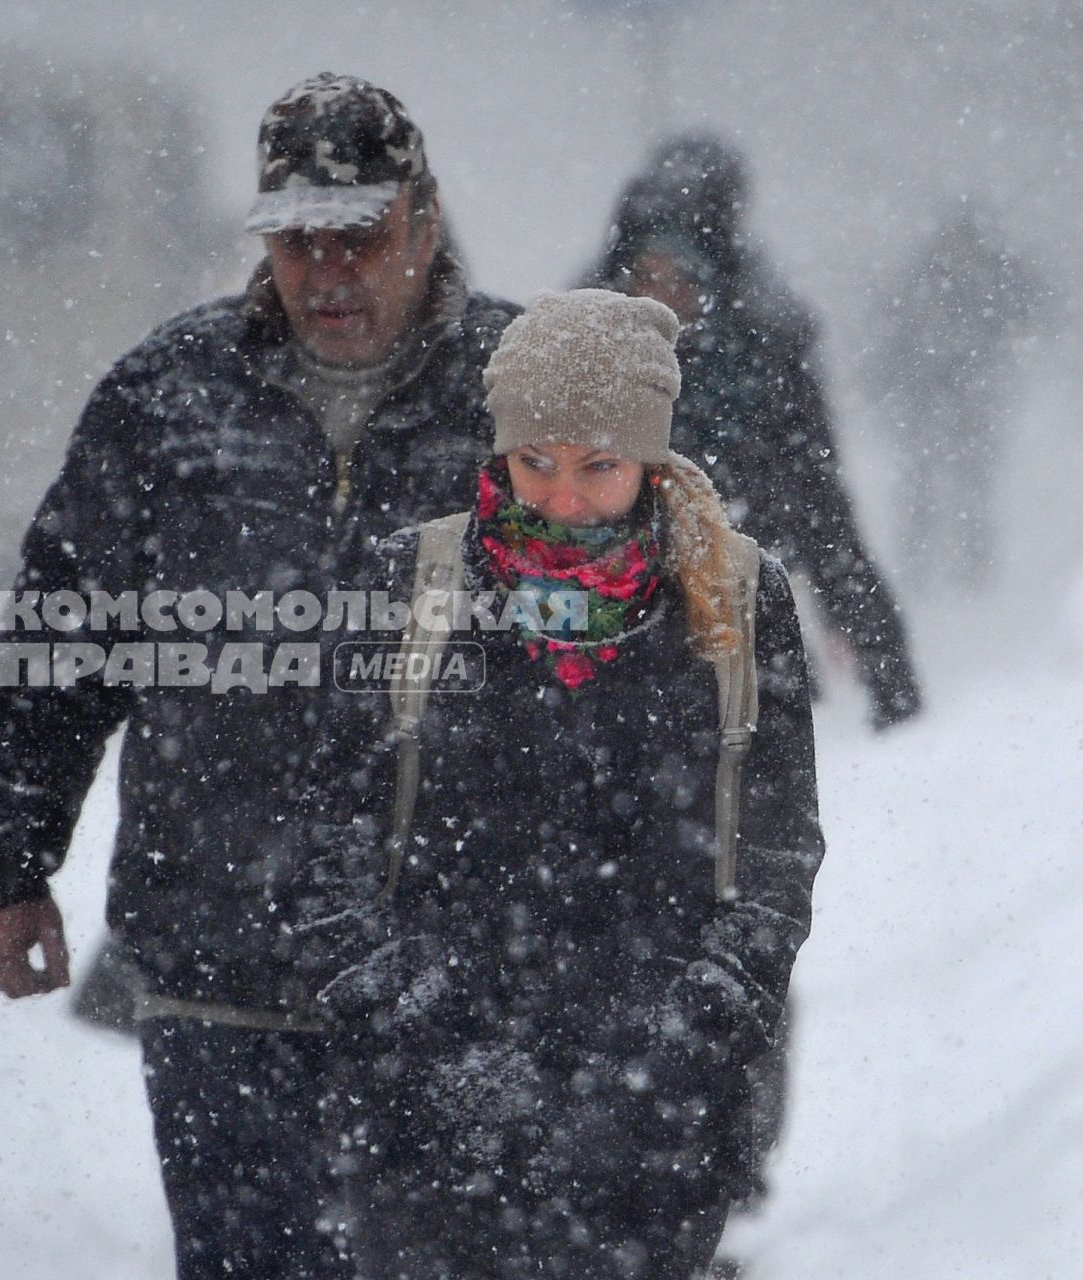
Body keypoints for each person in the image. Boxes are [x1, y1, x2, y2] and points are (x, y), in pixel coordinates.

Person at [0, 73, 521, 1279]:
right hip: (221, 959)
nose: (328, 273)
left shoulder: (521, 404)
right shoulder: (169, 399)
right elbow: (61, 637)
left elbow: (617, 669)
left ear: (421, 222)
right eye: (296, 240)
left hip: (455, 969)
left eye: (359, 238)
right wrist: (5, 862)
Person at [290, 290, 827, 1279]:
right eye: (535, 461)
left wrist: (691, 1031)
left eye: (598, 467)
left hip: (654, 1121)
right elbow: (327, 829)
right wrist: (407, 1018)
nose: (563, 499)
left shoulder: (738, 598)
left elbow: (776, 847)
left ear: (651, 463)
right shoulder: (413, 586)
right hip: (424, 1110)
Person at [585, 132, 923, 730]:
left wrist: (885, 676)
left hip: (741, 605)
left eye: (679, 280)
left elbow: (822, 513)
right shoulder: (587, 342)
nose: (661, 298)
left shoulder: (769, 347)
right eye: (647, 277)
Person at [872, 202, 1041, 585]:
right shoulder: (985, 282)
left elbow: (891, 335)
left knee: (937, 478)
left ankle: (944, 559)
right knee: (959, 477)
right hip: (955, 394)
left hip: (936, 395)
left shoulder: (926, 281)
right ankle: (966, 559)